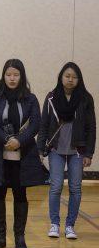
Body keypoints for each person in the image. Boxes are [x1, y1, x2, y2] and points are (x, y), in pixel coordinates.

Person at [0, 59, 48, 248]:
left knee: (20, 195)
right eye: (9, 74)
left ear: (22, 76)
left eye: (16, 75)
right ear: (3, 76)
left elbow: (36, 123)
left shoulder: (31, 99)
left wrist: (19, 141)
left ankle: (20, 237)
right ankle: (0, 236)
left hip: (23, 153)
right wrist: (5, 139)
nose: (12, 78)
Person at [37, 62, 96, 239]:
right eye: (67, 76)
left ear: (79, 79)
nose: (70, 79)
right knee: (55, 187)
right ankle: (54, 224)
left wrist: (89, 153)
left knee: (75, 188)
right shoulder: (51, 97)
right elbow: (44, 124)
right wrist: (40, 148)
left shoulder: (86, 99)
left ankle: (70, 225)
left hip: (77, 151)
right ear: (61, 77)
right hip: (56, 150)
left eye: (74, 77)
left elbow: (91, 128)